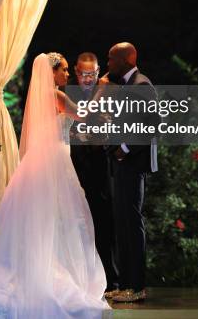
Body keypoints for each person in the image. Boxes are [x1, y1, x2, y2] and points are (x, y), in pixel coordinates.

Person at [0, 54, 110, 319]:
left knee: (48, 217)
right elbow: (83, 115)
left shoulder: (45, 97)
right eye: (64, 70)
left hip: (43, 158)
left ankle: (43, 263)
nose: (67, 75)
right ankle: (49, 269)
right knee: (62, 217)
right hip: (54, 160)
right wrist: (101, 90)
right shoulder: (55, 95)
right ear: (51, 72)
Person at [102, 42, 158, 303]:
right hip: (121, 164)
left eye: (111, 59)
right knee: (122, 224)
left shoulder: (141, 85)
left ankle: (136, 286)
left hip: (133, 164)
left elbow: (152, 123)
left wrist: (124, 147)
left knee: (132, 224)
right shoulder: (123, 86)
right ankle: (124, 284)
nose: (108, 64)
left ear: (126, 59)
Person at [69, 53, 119, 295]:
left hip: (102, 166)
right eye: (82, 73)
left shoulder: (111, 91)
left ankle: (110, 278)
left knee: (104, 220)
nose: (87, 79)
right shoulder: (67, 94)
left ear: (98, 72)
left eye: (91, 74)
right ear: (76, 72)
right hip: (75, 167)